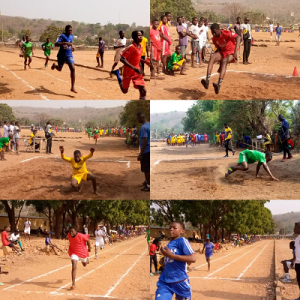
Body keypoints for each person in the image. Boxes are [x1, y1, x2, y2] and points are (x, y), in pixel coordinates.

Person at [155, 221, 196, 300]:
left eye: (174, 228)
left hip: (180, 281)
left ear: (182, 231)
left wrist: (171, 256)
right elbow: (171, 258)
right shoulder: (169, 244)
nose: (171, 229)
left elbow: (193, 258)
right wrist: (164, 259)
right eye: (170, 228)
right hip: (165, 281)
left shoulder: (182, 241)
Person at [201, 23, 240, 94]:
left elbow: (238, 37)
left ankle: (218, 84)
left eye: (215, 32)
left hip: (231, 52)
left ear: (219, 30)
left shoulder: (227, 33)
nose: (214, 34)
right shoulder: (214, 39)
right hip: (223, 52)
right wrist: (219, 64)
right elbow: (218, 49)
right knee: (212, 57)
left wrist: (235, 52)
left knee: (225, 60)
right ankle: (207, 81)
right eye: (212, 32)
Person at [111, 31, 149, 100]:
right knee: (124, 91)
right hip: (128, 71)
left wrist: (145, 62)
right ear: (134, 37)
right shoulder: (131, 47)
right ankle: (118, 74)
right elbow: (122, 59)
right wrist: (133, 68)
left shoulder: (141, 46)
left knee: (143, 91)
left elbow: (137, 58)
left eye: (141, 35)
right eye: (138, 36)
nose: (141, 37)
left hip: (137, 71)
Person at [51, 25, 77, 93]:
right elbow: (56, 44)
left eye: (71, 30)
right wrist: (64, 43)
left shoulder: (72, 36)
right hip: (61, 55)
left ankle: (72, 87)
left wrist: (72, 47)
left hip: (69, 54)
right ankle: (55, 65)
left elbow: (70, 44)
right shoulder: (61, 36)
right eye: (69, 30)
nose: (70, 32)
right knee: (59, 69)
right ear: (65, 30)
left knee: (73, 68)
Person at [137, 111, 150, 191]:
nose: (137, 119)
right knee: (148, 168)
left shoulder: (143, 127)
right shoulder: (149, 124)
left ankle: (148, 186)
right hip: (150, 150)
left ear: (141, 117)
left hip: (146, 151)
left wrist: (141, 153)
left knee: (146, 169)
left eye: (137, 118)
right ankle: (147, 181)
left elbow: (145, 140)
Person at [293, 222, 300, 300]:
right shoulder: (297, 238)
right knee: (299, 280)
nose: (294, 229)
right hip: (298, 263)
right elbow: (296, 250)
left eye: (296, 228)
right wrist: (294, 261)